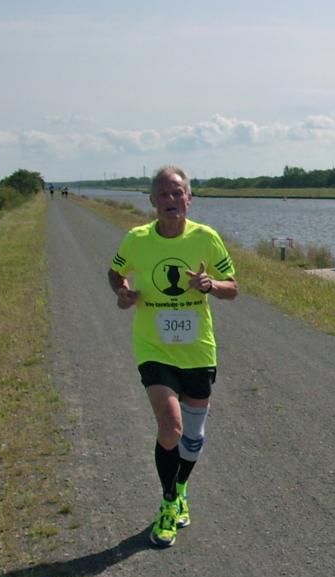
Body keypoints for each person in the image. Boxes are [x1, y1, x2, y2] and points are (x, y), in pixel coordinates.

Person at [107, 165, 238, 547]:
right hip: (154, 348)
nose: (170, 200)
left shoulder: (206, 238)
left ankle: (180, 490)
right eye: (163, 194)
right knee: (171, 428)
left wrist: (210, 285)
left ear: (189, 199)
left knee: (192, 439)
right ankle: (167, 504)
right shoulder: (137, 239)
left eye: (177, 193)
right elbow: (115, 272)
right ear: (152, 201)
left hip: (197, 350)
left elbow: (233, 288)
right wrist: (123, 291)